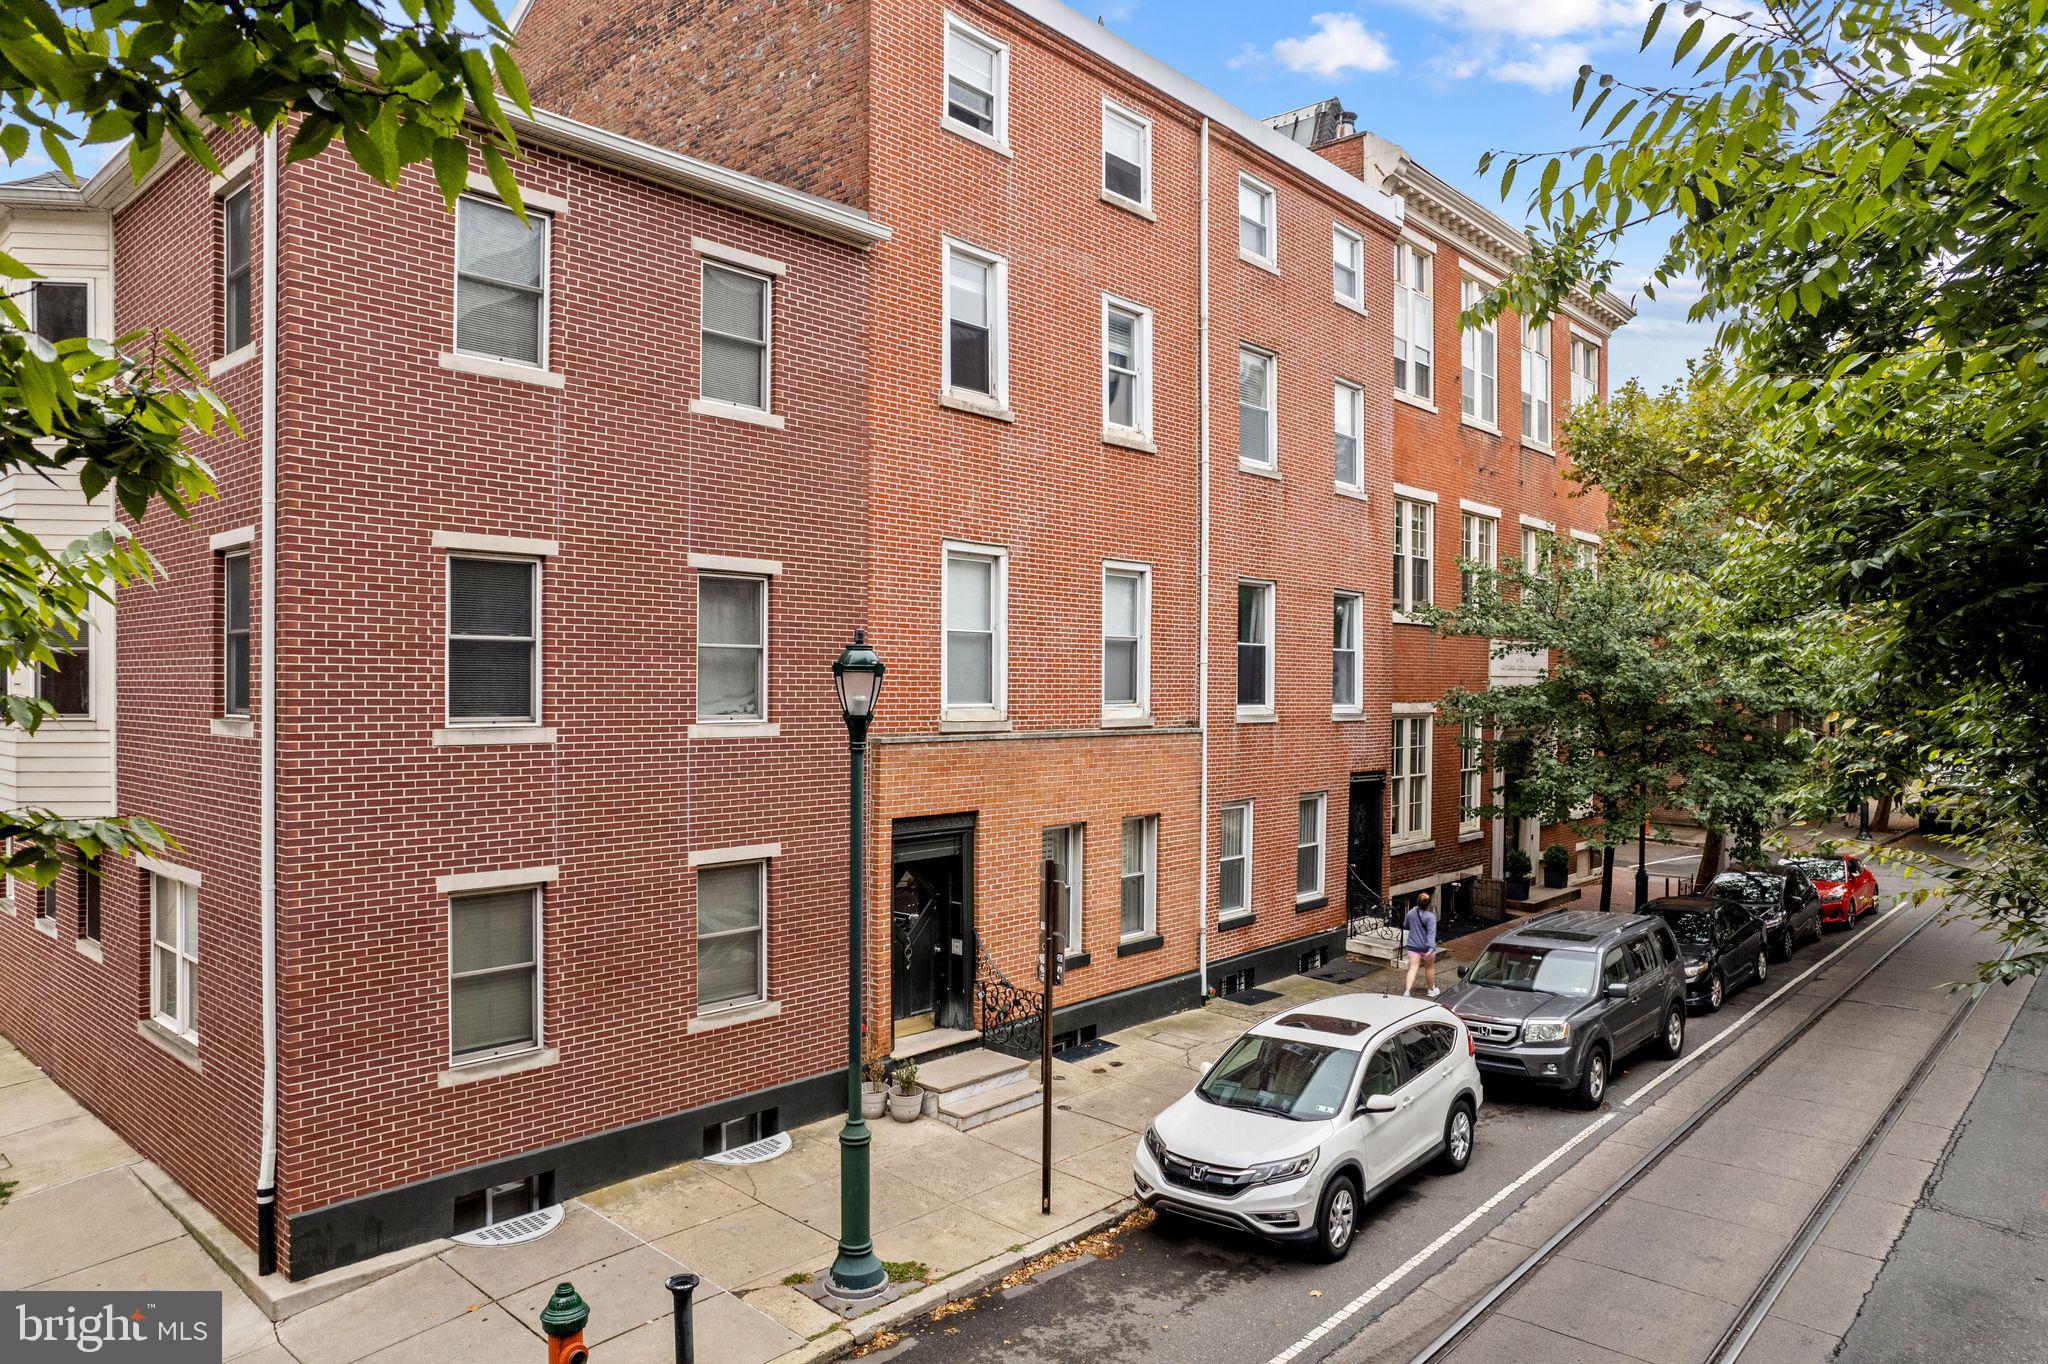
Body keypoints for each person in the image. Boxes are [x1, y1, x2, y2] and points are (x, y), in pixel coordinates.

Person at [1403, 891, 1440, 998]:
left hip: (1413, 946)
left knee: (1413, 968)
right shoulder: (1430, 917)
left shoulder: (1411, 912)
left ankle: (1407, 991)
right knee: (1429, 968)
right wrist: (1431, 948)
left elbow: (1405, 925)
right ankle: (1431, 990)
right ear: (1428, 904)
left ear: (1417, 902)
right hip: (1427, 948)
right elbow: (1431, 934)